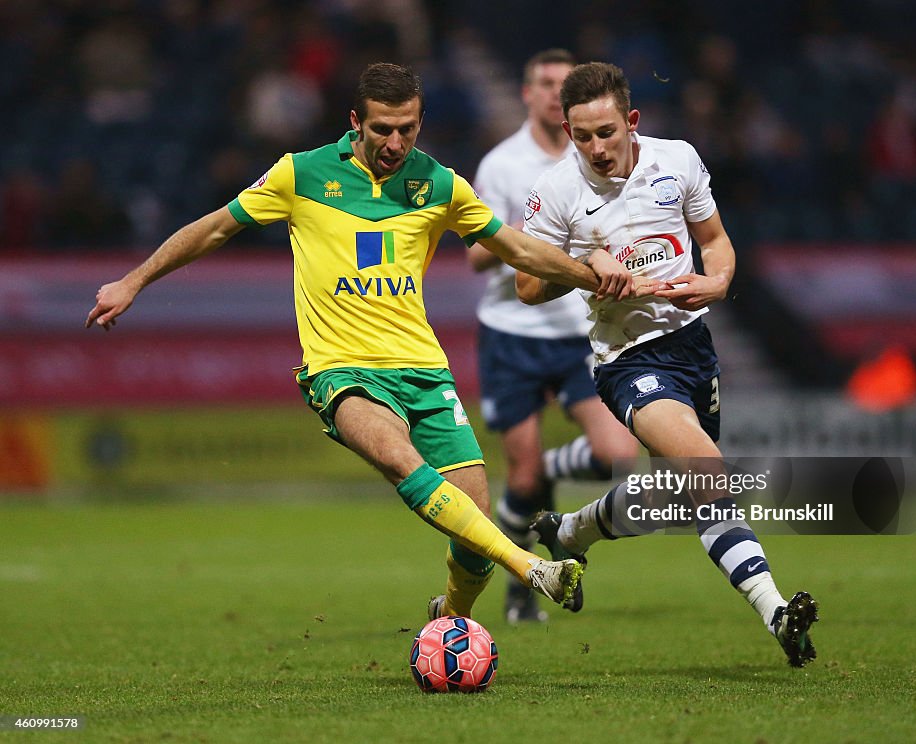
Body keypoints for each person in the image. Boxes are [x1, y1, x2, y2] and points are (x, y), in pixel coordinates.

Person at [85, 62, 651, 622]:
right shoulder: (299, 175)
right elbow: (213, 228)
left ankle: (449, 618)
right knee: (400, 459)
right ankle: (531, 569)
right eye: (382, 128)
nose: (395, 141)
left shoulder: (440, 184)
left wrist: (594, 274)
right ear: (356, 121)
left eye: (407, 128)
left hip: (424, 370)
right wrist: (133, 281)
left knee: (472, 521)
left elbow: (518, 250)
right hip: (342, 369)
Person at [516, 62, 818, 667]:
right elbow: (526, 284)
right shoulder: (555, 191)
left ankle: (568, 533)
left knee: (676, 500)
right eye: (582, 136)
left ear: (631, 121)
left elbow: (715, 240)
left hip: (693, 346)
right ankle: (776, 611)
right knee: (708, 473)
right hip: (627, 360)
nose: (596, 149)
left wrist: (718, 282)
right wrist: (586, 270)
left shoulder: (677, 159)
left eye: (606, 132)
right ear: (568, 132)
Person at [468, 49, 638, 624]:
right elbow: (473, 257)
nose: (550, 93)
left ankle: (549, 483)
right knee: (519, 473)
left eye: (560, 86)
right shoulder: (503, 165)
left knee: (618, 453)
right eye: (542, 83)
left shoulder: (595, 156)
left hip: (573, 331)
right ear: (526, 92)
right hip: (511, 331)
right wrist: (531, 236)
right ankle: (523, 584)